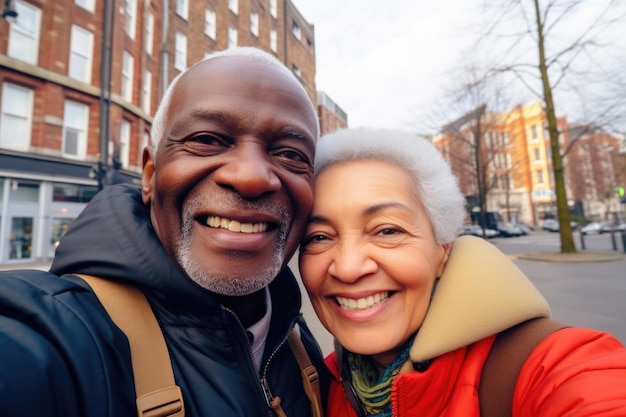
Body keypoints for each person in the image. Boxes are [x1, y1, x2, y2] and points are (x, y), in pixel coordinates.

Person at [0, 47, 327, 417]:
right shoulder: (57, 334)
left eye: (291, 154)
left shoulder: (298, 338)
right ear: (151, 176)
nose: (251, 176)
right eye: (206, 139)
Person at [298, 127, 626, 417]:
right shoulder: (319, 382)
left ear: (443, 250)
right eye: (319, 237)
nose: (349, 267)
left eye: (387, 231)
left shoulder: (553, 365)